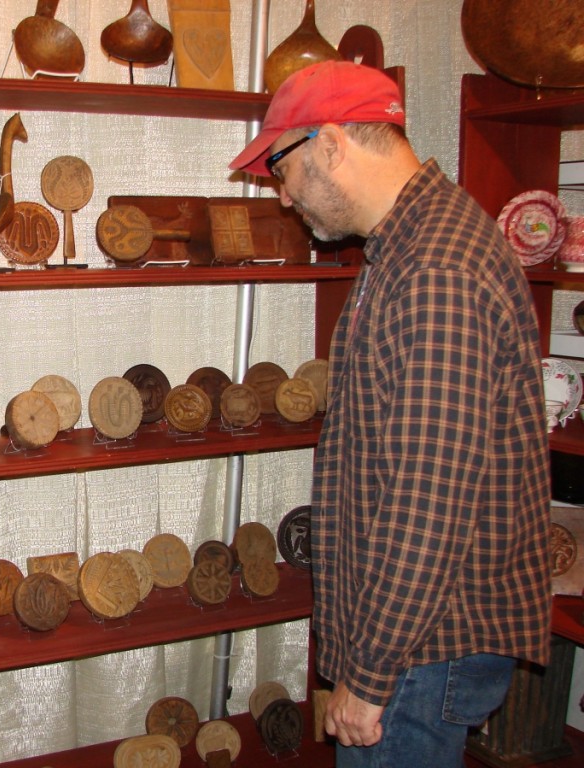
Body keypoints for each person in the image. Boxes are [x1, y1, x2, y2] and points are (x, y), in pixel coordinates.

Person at [229, 61, 551, 767]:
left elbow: (427, 501)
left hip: (421, 653)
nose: (281, 196)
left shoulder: (435, 269)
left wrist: (370, 677)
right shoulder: (407, 248)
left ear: (331, 144)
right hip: (418, 642)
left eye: (279, 165)